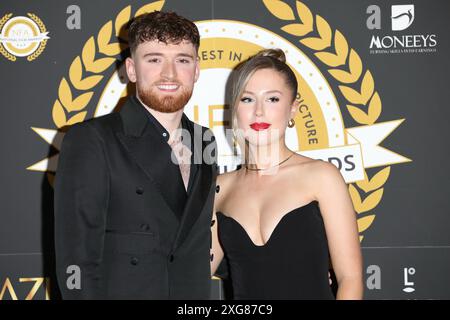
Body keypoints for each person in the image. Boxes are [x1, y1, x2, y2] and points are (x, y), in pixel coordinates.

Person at [54, 11, 217, 299]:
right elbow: (77, 259)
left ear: (197, 69)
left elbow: (196, 242)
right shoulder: (92, 139)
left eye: (182, 60)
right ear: (131, 69)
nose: (169, 73)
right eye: (154, 60)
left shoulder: (205, 140)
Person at [210, 49, 363, 299]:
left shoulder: (321, 177)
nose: (259, 111)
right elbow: (191, 269)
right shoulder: (220, 188)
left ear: (293, 109)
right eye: (247, 99)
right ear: (234, 109)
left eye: (272, 99)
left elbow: (350, 280)